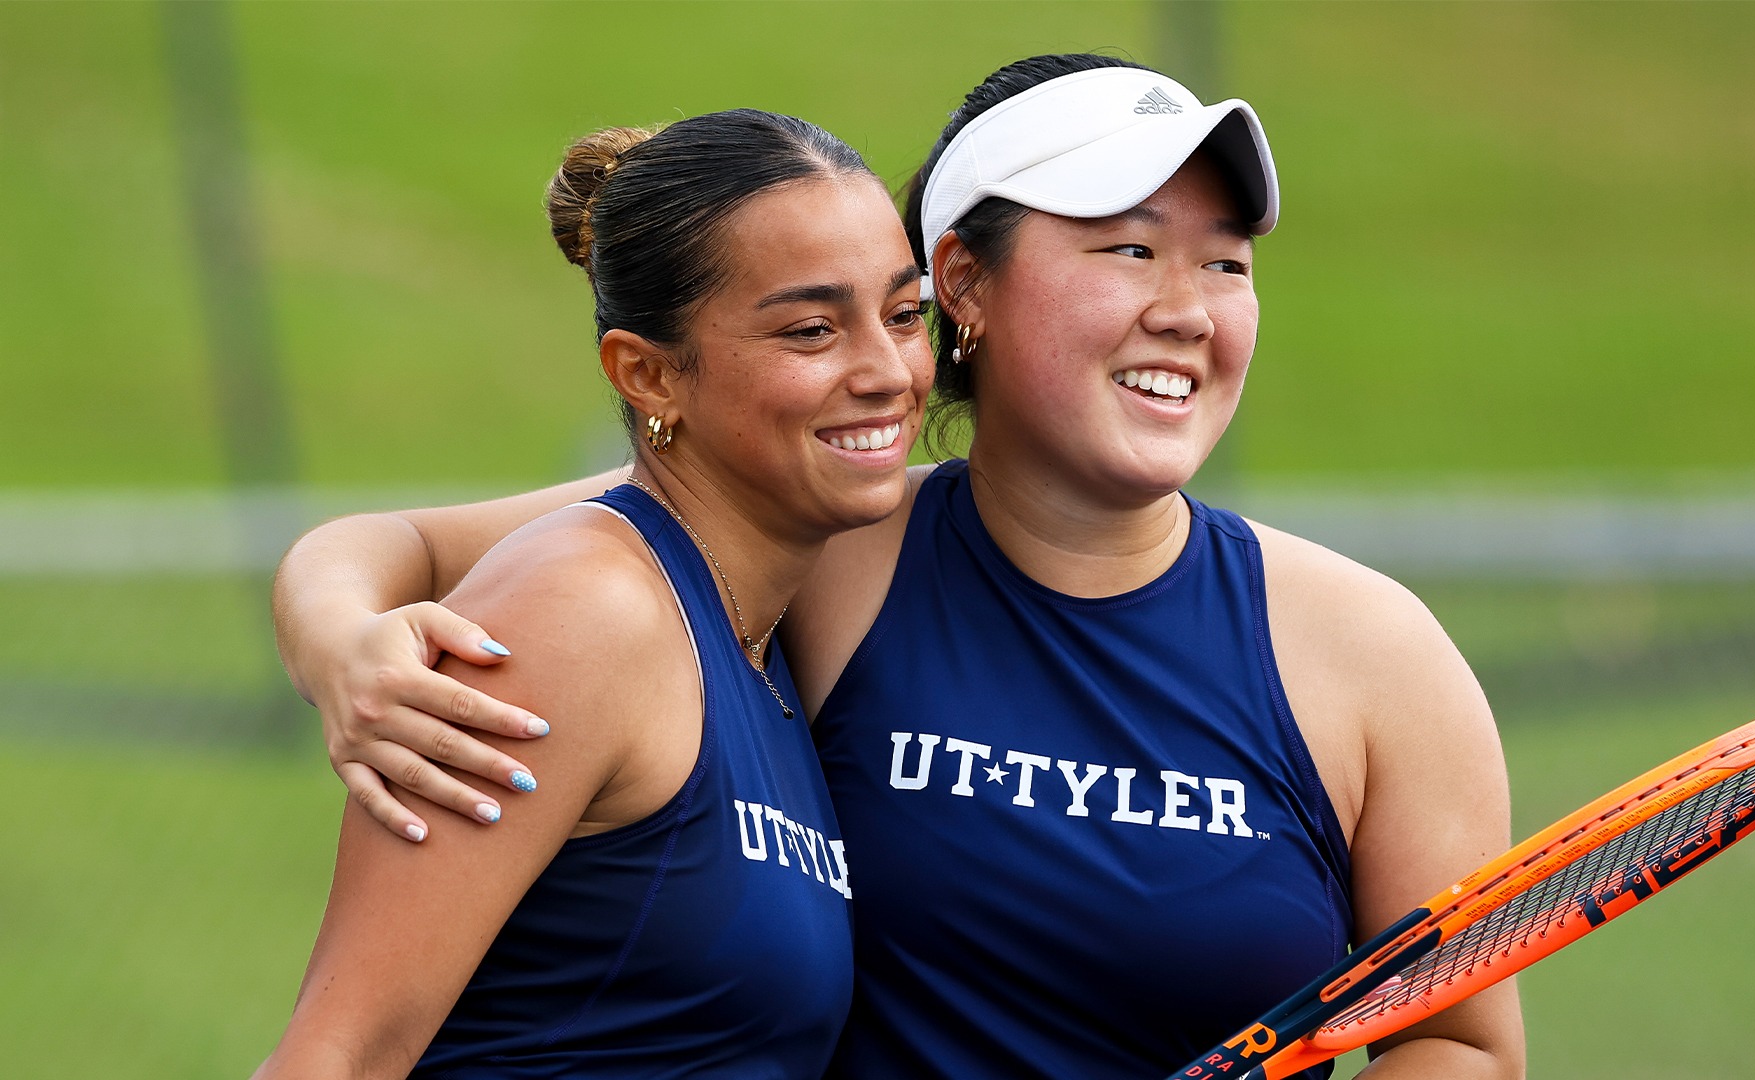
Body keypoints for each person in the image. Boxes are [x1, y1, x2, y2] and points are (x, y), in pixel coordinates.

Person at [272, 56, 1523, 1079]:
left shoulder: (1378, 656)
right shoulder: (818, 540)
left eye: (1227, 263)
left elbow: (1460, 1038)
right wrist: (340, 642)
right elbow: (417, 553)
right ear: (966, 284)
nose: (1188, 308)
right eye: (1129, 251)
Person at [254, 109, 933, 1078]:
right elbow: (338, 1055)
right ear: (648, 375)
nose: (888, 371)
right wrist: (337, 646)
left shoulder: (756, 604)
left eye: (904, 314)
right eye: (812, 329)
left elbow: (390, 541)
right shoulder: (590, 608)